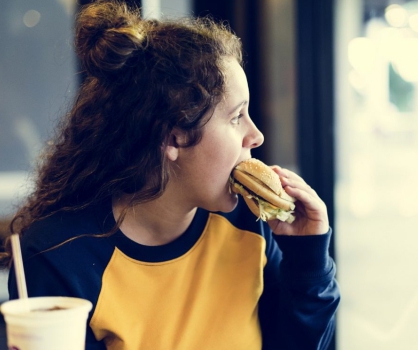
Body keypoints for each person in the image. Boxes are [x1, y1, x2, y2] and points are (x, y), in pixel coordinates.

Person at [0, 1, 340, 349]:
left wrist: (309, 258)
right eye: (237, 116)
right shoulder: (58, 255)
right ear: (173, 137)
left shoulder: (250, 225)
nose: (256, 136)